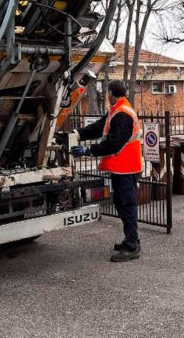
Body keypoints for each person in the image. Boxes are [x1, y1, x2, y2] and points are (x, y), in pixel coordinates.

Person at [70, 80, 142, 262]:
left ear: (111, 93)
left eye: (107, 92)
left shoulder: (123, 114)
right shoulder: (117, 110)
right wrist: (78, 133)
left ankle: (132, 246)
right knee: (122, 204)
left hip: (126, 168)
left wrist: (88, 150)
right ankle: (130, 239)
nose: (106, 96)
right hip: (123, 168)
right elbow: (99, 127)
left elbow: (113, 144)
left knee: (126, 205)